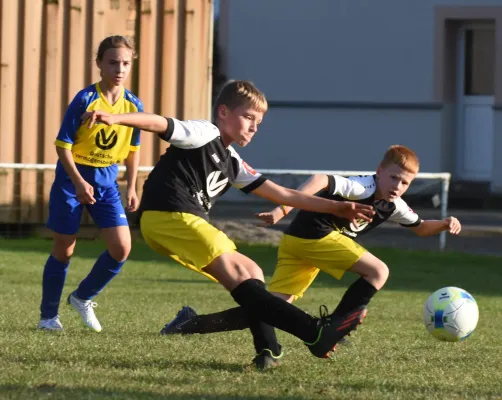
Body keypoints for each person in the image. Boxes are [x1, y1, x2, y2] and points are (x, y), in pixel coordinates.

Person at [81, 80, 375, 362]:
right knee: (241, 272)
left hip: (180, 222)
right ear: (223, 112)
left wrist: (336, 206)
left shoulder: (232, 160)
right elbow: (161, 123)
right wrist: (117, 118)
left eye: (258, 122)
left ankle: (268, 349)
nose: (253, 127)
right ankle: (314, 333)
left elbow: (282, 193)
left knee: (252, 273)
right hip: (168, 215)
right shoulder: (204, 132)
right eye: (248, 117)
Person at [161, 145, 462, 369]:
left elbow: (421, 227)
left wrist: (445, 223)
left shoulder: (395, 204)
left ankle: (189, 324)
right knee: (378, 271)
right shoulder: (362, 186)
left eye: (405, 182)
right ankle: (335, 326)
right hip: (315, 236)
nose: (398, 185)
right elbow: (320, 179)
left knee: (270, 309)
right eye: (393, 177)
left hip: (299, 244)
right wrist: (282, 208)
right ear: (379, 171)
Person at [38, 35, 144, 333]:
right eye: (112, 62)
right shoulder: (84, 99)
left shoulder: (133, 105)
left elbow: (133, 150)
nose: (119, 69)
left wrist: (132, 186)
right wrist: (79, 181)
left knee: (122, 248)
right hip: (72, 182)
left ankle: (82, 297)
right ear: (99, 64)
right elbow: (62, 145)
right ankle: (48, 318)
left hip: (108, 184)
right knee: (65, 249)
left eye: (125, 63)